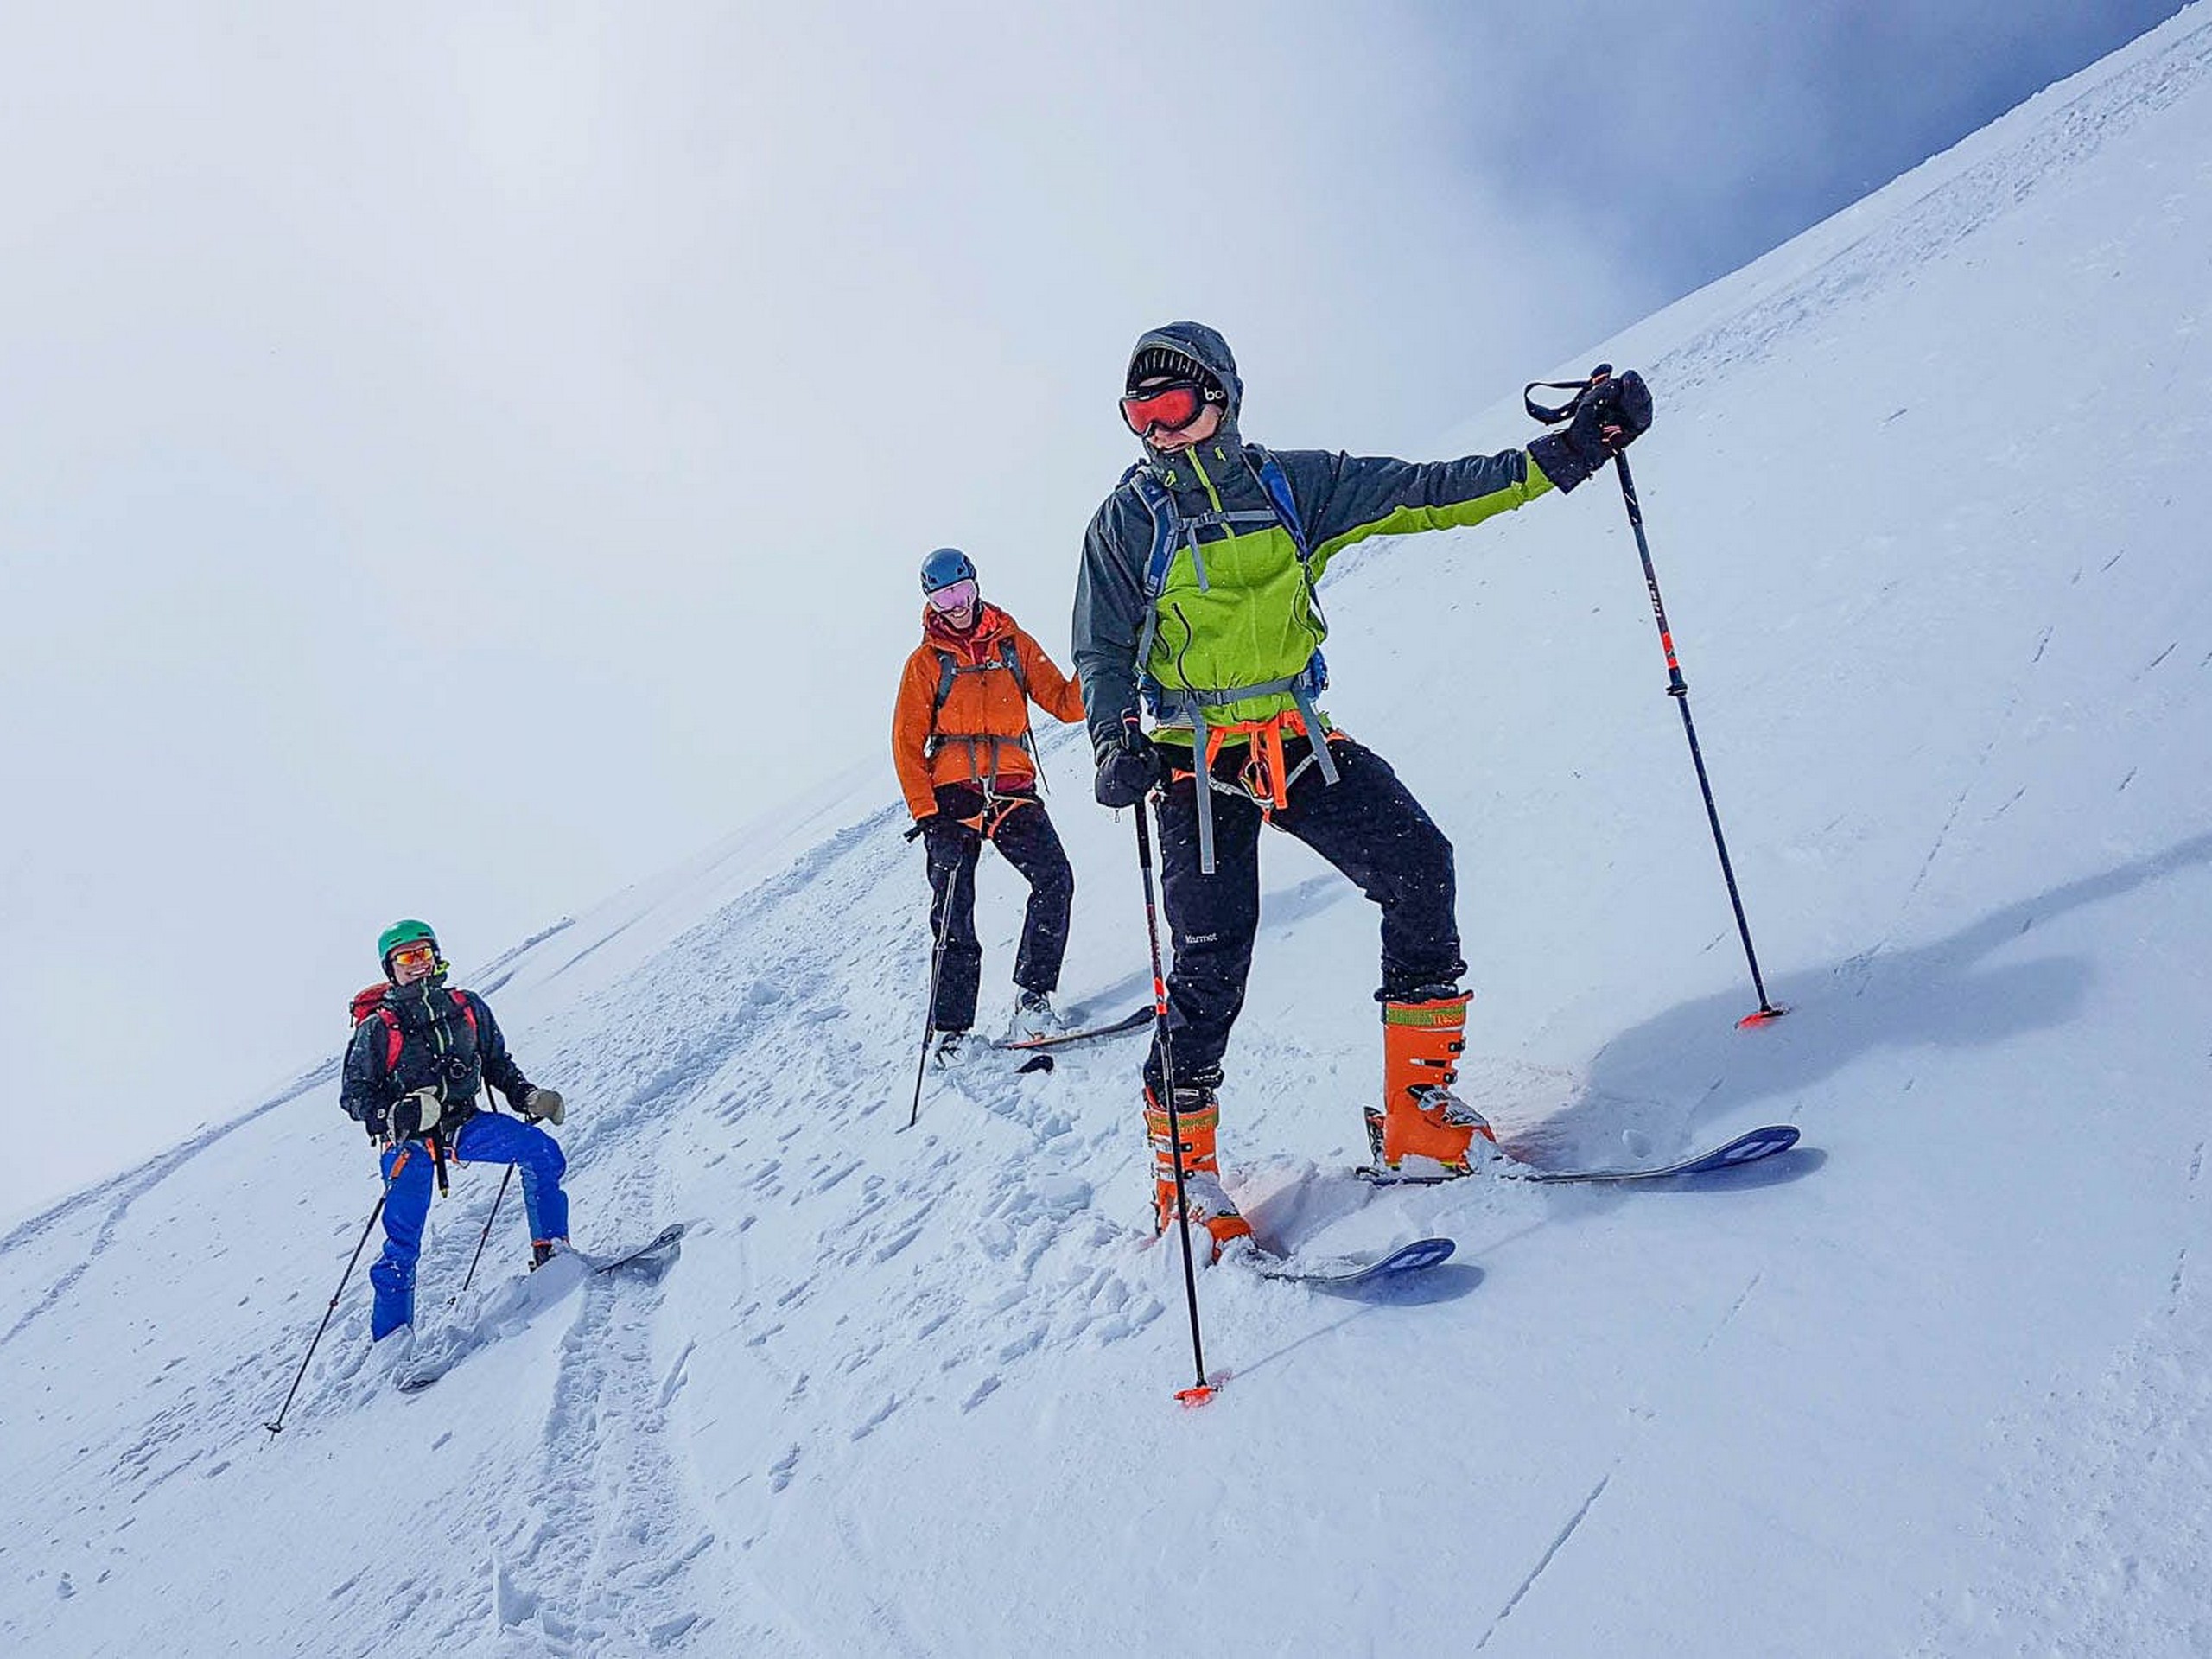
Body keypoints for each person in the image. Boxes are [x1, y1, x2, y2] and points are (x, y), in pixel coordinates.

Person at [1072, 321, 1650, 1256]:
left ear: (1221, 398)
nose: (1157, 429)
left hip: (1297, 739)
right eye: (1139, 411)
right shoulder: (1126, 522)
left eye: (1173, 405)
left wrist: (1571, 453)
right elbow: (1100, 647)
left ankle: (1419, 1110)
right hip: (1188, 757)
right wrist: (1112, 742)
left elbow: (1429, 493)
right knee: (1211, 960)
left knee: (1419, 866)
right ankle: (1183, 1172)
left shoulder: (1293, 484)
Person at [892, 547, 1087, 1059]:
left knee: (1054, 879)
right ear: (930, 601)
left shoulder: (1013, 645)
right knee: (954, 909)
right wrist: (926, 816)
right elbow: (907, 742)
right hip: (951, 797)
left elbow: (1065, 704)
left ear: (976, 586)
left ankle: (1033, 998)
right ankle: (952, 1030)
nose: (955, 605)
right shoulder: (924, 664)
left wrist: (1099, 670)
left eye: (961, 591)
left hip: (1011, 789)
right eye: (942, 595)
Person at [340, 919, 572, 1341]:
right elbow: (355, 1097)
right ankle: (391, 1340)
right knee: (402, 1242)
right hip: (408, 1144)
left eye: (424, 953)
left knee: (541, 1152)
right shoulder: (378, 1028)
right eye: (406, 958)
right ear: (390, 968)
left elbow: (498, 1065)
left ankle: (553, 1255)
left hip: (464, 1125)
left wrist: (528, 1097)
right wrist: (396, 1115)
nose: (417, 964)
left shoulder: (468, 1008)